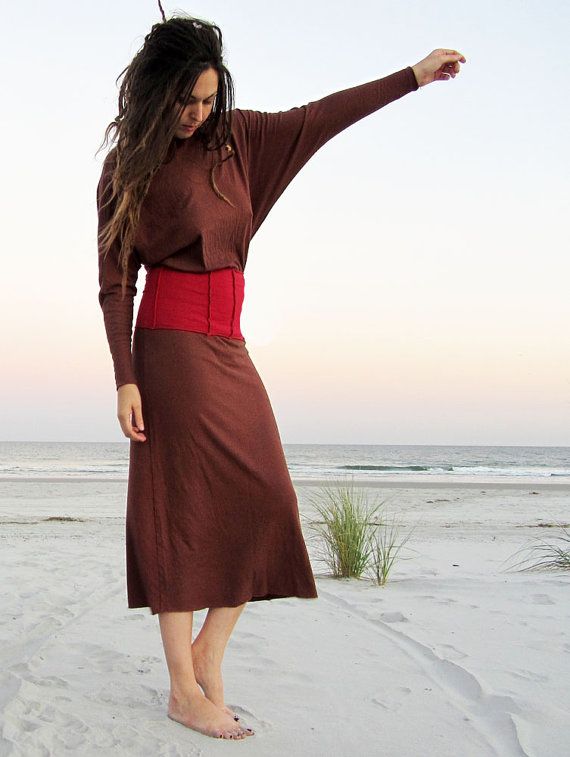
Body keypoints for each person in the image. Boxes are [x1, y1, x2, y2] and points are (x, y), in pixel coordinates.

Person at [96, 4, 466, 742]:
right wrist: (125, 376)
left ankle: (208, 651)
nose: (197, 113)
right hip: (168, 348)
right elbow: (115, 281)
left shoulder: (241, 142)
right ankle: (181, 685)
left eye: (207, 98)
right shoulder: (127, 168)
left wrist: (414, 77)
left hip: (229, 346)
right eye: (184, 100)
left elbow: (323, 116)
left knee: (268, 498)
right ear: (155, 90)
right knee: (176, 509)